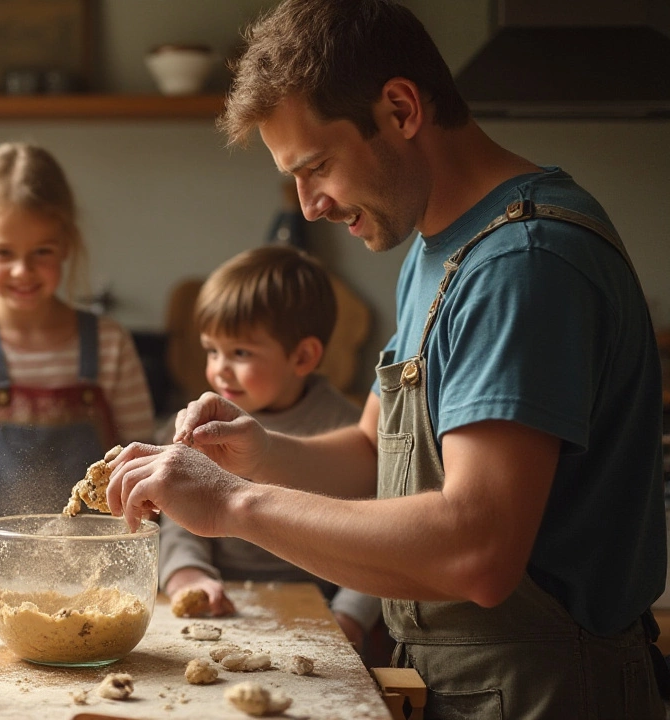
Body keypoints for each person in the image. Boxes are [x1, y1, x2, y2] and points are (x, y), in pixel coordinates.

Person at [106, 1, 667, 718]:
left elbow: (478, 551)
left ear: (401, 109)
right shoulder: (438, 249)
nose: (307, 207)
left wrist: (231, 504)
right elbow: (376, 450)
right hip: (460, 680)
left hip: (546, 689)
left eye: (317, 167)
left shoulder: (524, 264)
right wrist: (258, 451)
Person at [0, 142, 156, 577]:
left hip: (105, 576)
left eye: (41, 252)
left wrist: (151, 566)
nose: (22, 271)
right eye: (3, 253)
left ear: (66, 245)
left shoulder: (108, 342)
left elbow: (143, 462)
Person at [159, 245, 383, 652]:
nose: (220, 368)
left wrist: (349, 616)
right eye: (213, 350)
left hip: (316, 614)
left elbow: (373, 533)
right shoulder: (199, 424)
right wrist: (186, 575)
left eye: (241, 352)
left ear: (302, 356)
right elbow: (175, 515)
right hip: (220, 603)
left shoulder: (348, 434)